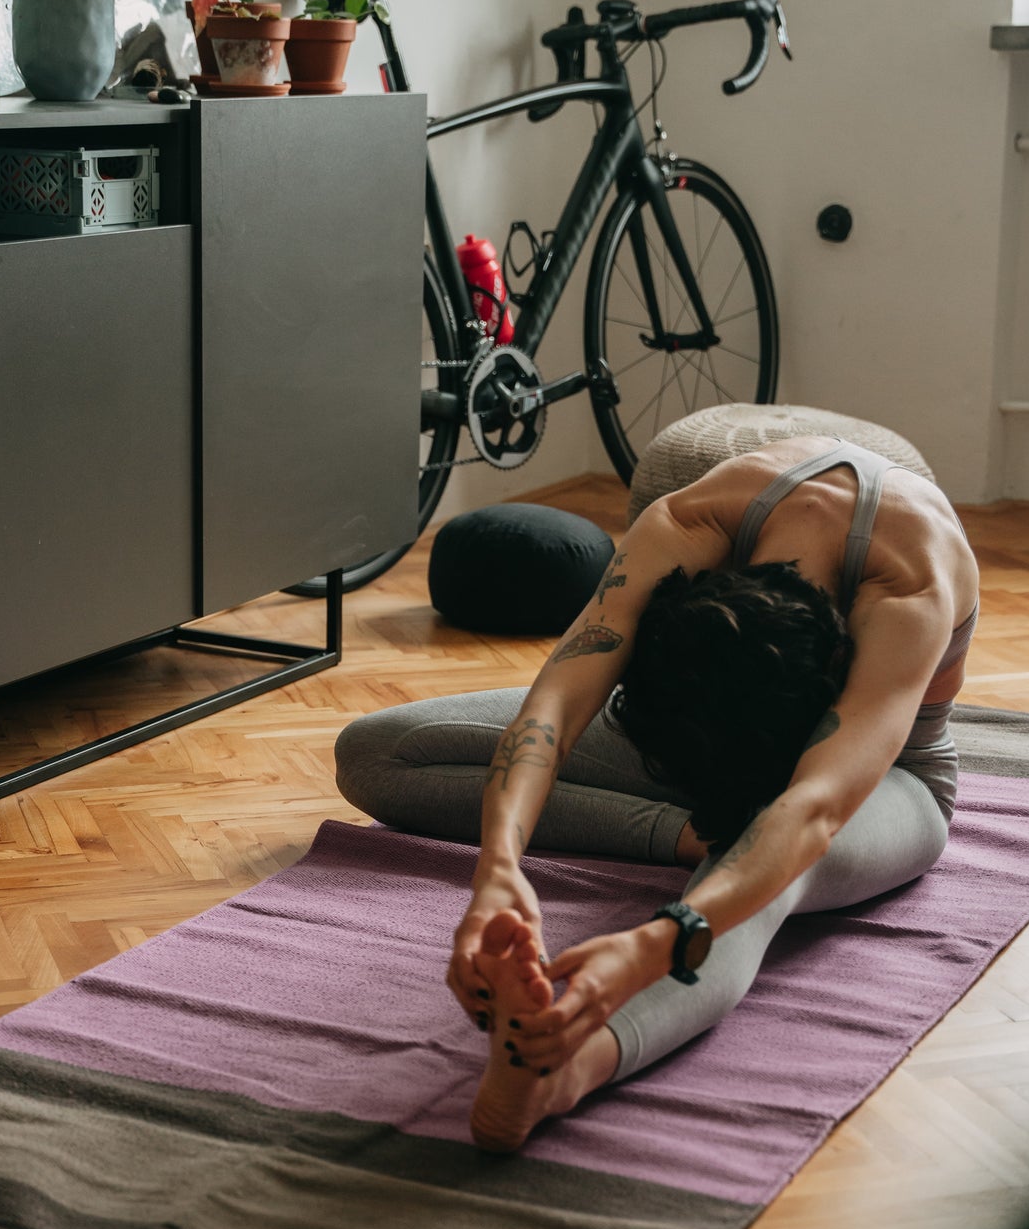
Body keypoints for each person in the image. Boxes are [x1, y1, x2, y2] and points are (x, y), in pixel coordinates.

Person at [334, 438, 980, 1152]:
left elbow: (813, 809)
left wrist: (658, 941)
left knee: (764, 877)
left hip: (887, 780)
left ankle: (563, 1071)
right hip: (712, 720)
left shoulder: (910, 589)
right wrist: (497, 867)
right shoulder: (692, 523)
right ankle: (688, 839)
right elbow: (556, 707)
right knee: (378, 750)